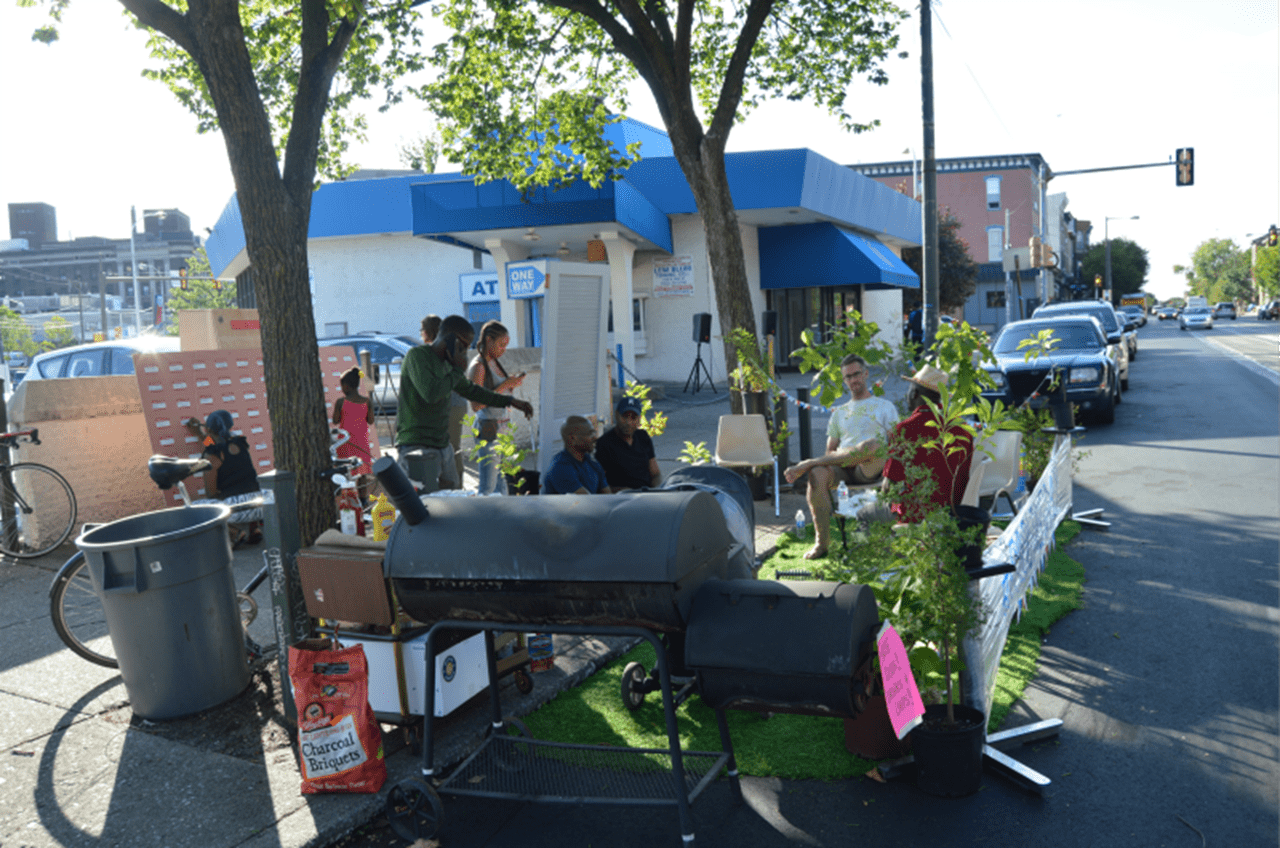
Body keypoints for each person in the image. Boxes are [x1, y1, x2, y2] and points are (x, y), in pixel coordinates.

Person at [396, 314, 533, 492]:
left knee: (453, 498)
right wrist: (457, 370)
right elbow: (431, 393)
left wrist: (511, 401)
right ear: (451, 340)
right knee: (428, 502)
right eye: (463, 347)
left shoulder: (448, 364)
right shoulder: (418, 356)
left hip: (442, 444)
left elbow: (474, 391)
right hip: (417, 445)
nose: (464, 353)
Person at [783, 354, 898, 560]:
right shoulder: (839, 412)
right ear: (844, 380)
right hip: (844, 469)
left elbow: (896, 444)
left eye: (857, 374)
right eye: (848, 377)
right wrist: (825, 464)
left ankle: (809, 462)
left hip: (871, 467)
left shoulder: (885, 407)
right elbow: (831, 452)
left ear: (866, 374)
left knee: (872, 445)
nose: (853, 380)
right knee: (817, 473)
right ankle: (822, 544)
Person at [876, 363, 974, 523]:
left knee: (865, 513)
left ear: (914, 393)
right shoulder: (963, 429)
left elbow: (889, 486)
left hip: (912, 512)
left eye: (909, 390)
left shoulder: (904, 429)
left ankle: (891, 544)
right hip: (954, 513)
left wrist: (886, 501)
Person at [186, 410, 263, 545]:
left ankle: (235, 533)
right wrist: (200, 434)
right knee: (246, 487)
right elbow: (218, 446)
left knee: (193, 508)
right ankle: (254, 528)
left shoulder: (212, 456)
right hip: (260, 506)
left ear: (208, 428)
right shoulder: (241, 443)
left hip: (239, 512)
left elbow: (211, 493)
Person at [466, 321, 526, 495]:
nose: (503, 350)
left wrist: (509, 386)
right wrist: (504, 385)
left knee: (503, 482)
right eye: (501, 345)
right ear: (488, 340)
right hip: (489, 427)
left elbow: (494, 394)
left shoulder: (493, 362)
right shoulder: (478, 366)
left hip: (503, 426)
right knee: (488, 485)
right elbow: (476, 404)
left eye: (506, 345)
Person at [595, 396, 660, 491]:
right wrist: (625, 491)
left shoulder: (643, 437)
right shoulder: (604, 443)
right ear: (617, 415)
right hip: (621, 498)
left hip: (646, 495)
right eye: (625, 417)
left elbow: (655, 473)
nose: (628, 422)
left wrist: (657, 490)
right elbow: (600, 483)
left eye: (633, 418)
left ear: (639, 419)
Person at [331, 366, 375, 496]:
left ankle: (346, 497)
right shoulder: (367, 401)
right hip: (361, 442)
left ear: (346, 386)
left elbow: (335, 420)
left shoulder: (340, 402)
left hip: (345, 442)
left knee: (345, 471)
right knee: (362, 473)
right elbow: (371, 421)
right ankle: (363, 499)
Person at [541, 416, 610, 494]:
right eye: (590, 434)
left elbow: (608, 496)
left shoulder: (592, 462)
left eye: (594, 432)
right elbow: (587, 502)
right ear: (573, 438)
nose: (595, 437)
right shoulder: (560, 467)